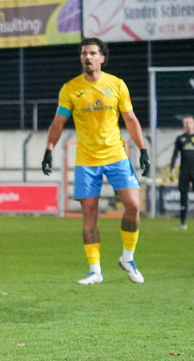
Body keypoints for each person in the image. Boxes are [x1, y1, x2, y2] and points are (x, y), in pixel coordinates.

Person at [42, 37, 150, 285]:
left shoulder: (117, 84)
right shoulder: (70, 89)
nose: (87, 57)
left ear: (102, 58)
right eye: (84, 54)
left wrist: (143, 149)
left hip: (116, 156)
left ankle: (128, 258)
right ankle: (95, 271)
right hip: (87, 160)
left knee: (134, 205)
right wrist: (49, 149)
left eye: (92, 53)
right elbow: (58, 122)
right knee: (89, 214)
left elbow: (130, 119)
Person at [169, 114, 194, 229]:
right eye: (186, 123)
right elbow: (175, 155)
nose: (188, 125)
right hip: (184, 171)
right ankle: (183, 222)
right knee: (183, 196)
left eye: (190, 122)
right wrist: (172, 169)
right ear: (183, 125)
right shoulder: (180, 139)